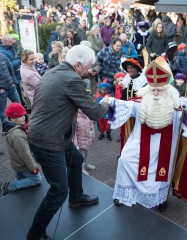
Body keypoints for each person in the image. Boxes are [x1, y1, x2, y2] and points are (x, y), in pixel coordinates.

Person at [26, 45, 109, 240]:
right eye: (88, 66)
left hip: (54, 135)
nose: (90, 69)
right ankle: (35, 234)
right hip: (48, 141)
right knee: (58, 191)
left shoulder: (52, 72)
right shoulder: (72, 80)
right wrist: (107, 102)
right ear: (78, 64)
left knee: (76, 159)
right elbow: (95, 112)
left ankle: (77, 197)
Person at [105, 56, 187, 210]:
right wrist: (112, 102)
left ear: (167, 90)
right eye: (152, 89)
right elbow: (127, 106)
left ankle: (160, 199)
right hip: (139, 144)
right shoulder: (141, 102)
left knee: (161, 173)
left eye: (159, 90)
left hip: (163, 150)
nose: (155, 93)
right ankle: (124, 194)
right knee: (124, 160)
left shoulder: (176, 108)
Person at [0, 103, 42, 196]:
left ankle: (11, 189)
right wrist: (33, 168)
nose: (23, 117)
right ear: (12, 118)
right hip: (22, 164)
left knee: (21, 179)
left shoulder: (11, 127)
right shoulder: (17, 135)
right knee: (36, 179)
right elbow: (25, 153)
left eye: (23, 114)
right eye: (20, 116)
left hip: (16, 163)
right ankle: (8, 187)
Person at [73, 109, 96, 175]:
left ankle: (86, 164)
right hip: (79, 142)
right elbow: (73, 133)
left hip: (87, 140)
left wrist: (92, 135)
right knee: (81, 156)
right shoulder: (75, 118)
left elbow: (91, 126)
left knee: (86, 153)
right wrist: (76, 144)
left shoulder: (87, 116)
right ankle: (81, 168)